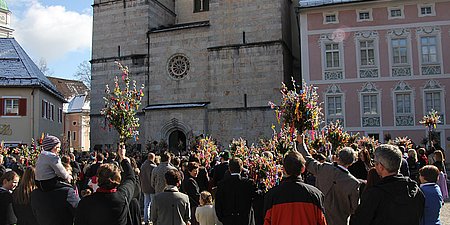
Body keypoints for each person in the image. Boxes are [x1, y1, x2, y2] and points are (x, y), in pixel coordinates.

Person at [350, 144, 425, 225]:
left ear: (381, 166)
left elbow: (359, 221)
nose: (374, 165)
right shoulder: (415, 190)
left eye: (375, 162)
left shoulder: (375, 194)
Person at [297, 138, 360, 225]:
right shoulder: (353, 183)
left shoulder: (324, 168)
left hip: (320, 219)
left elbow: (308, 161)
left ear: (338, 158)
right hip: (339, 221)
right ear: (351, 163)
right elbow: (354, 208)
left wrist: (301, 144)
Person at [74, 145, 137, 225]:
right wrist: (123, 158)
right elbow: (131, 178)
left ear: (98, 179)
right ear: (118, 180)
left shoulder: (86, 202)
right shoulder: (122, 197)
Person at [263, 151, 327, 225]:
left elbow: (266, 221)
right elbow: (322, 221)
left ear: (283, 169)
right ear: (303, 169)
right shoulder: (315, 195)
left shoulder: (272, 195)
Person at [215, 157, 256, 225]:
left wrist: (222, 219)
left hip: (228, 219)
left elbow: (218, 204)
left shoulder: (222, 184)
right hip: (244, 220)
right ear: (241, 169)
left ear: (229, 169)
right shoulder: (248, 184)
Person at [140, 152, 157, 225]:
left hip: (144, 187)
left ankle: (146, 219)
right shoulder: (153, 167)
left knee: (146, 204)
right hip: (152, 187)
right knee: (153, 204)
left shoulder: (143, 166)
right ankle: (152, 219)